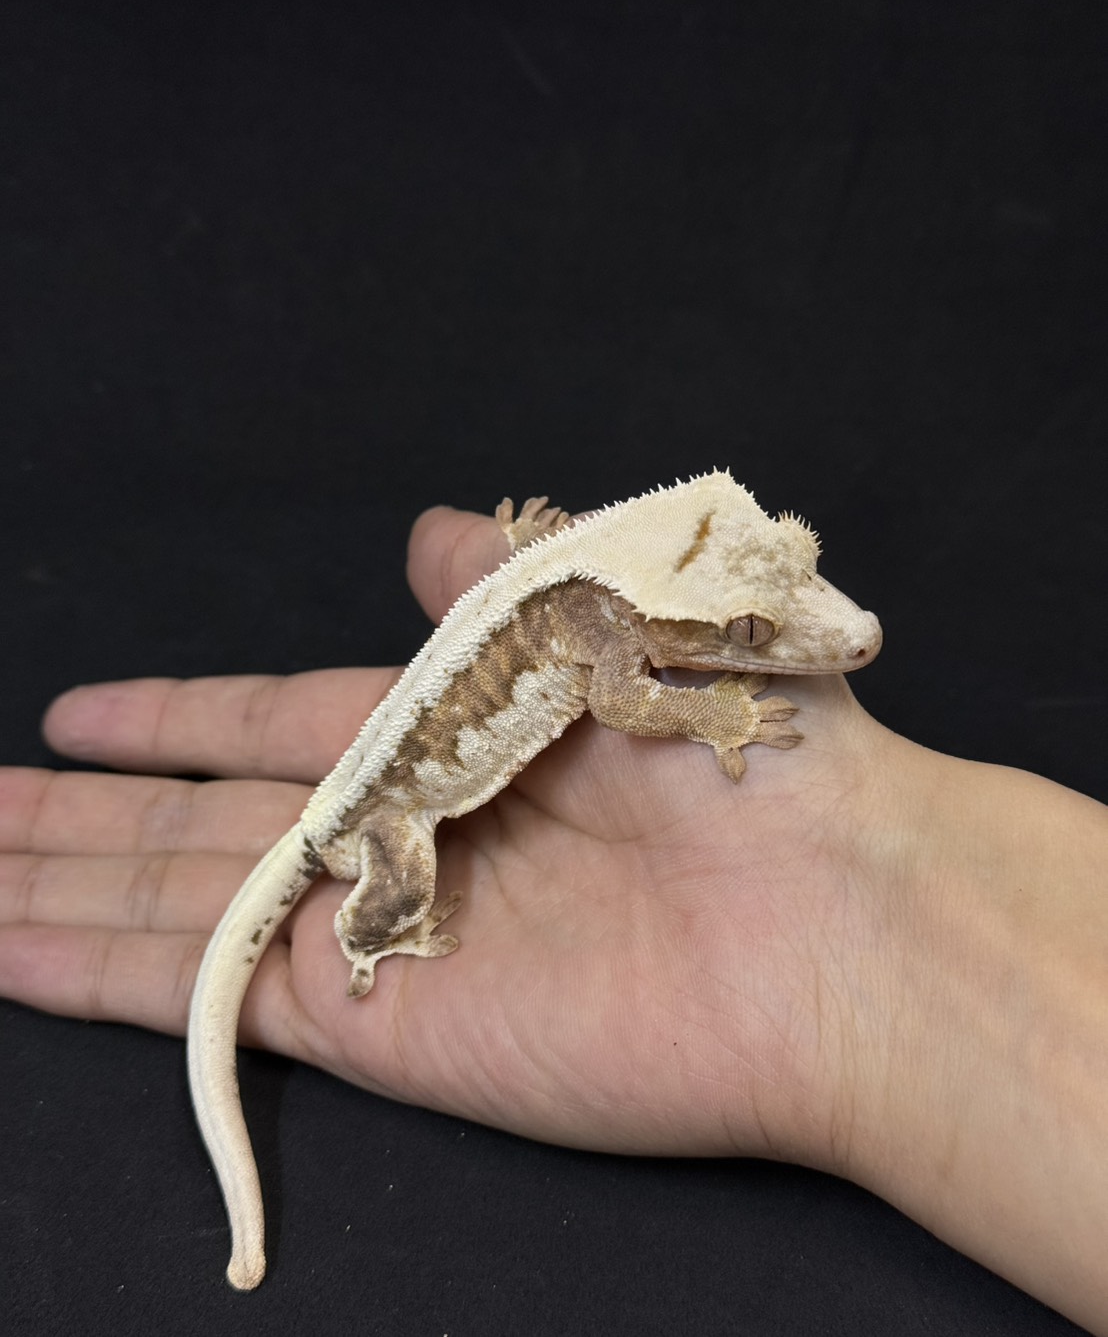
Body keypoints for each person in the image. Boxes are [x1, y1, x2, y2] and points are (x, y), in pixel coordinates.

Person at [1, 502, 1105, 1333]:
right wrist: (717, 712)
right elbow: (622, 700)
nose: (848, 635)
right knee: (397, 884)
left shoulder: (595, 585)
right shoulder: (606, 621)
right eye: (752, 629)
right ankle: (367, 934)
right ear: (662, 608)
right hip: (384, 813)